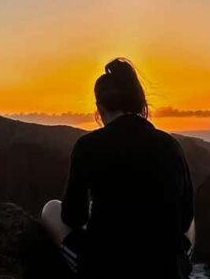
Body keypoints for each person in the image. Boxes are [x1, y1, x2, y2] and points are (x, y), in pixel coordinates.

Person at [41, 58, 195, 279]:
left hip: (105, 267)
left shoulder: (87, 146)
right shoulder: (171, 146)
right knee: (191, 225)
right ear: (139, 103)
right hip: (166, 269)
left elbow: (73, 217)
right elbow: (186, 218)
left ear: (99, 107)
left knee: (51, 209)